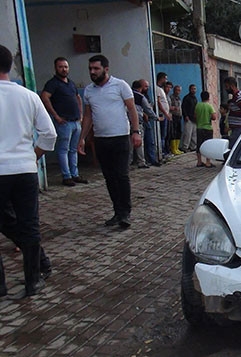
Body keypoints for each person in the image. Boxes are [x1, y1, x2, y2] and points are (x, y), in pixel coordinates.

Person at [0, 44, 57, 297]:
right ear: (10, 67)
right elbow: (49, 134)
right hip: (24, 170)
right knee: (29, 224)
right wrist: (32, 156)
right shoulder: (28, 96)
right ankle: (33, 281)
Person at [77, 54, 140, 229]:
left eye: (96, 68)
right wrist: (82, 138)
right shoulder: (89, 91)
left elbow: (132, 110)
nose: (92, 72)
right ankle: (117, 212)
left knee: (121, 175)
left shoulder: (120, 85)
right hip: (101, 139)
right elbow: (88, 116)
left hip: (120, 137)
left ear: (106, 69)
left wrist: (136, 132)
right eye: (90, 69)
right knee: (109, 177)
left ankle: (125, 213)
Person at [40, 57, 87, 187]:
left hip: (75, 122)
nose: (64, 69)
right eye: (61, 67)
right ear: (56, 68)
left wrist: (80, 114)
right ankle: (66, 176)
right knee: (63, 149)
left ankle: (75, 174)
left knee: (73, 150)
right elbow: (44, 97)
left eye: (65, 67)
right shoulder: (52, 83)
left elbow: (78, 97)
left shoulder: (71, 83)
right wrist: (55, 116)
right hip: (64, 122)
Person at [131, 79, 159, 168]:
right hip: (138, 121)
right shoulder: (140, 97)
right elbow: (148, 109)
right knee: (139, 143)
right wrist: (156, 118)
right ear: (140, 88)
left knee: (129, 143)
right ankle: (141, 162)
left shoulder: (127, 95)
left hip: (126, 121)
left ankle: (128, 162)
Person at [223, 76, 241, 147]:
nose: (226, 89)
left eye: (227, 86)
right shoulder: (236, 96)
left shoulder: (239, 97)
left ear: (232, 86)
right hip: (236, 128)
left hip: (239, 128)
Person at [194, 91, 217, 168]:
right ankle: (208, 162)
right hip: (208, 128)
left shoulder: (197, 105)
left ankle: (199, 161)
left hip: (199, 128)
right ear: (208, 97)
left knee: (199, 145)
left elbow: (195, 116)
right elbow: (214, 117)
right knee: (208, 145)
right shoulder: (209, 106)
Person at [155, 72, 171, 157]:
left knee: (165, 134)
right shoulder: (157, 89)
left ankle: (164, 151)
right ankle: (162, 152)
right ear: (161, 78)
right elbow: (158, 102)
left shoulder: (161, 89)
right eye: (165, 78)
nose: (166, 80)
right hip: (162, 114)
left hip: (165, 114)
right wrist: (165, 113)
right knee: (162, 134)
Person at [181, 84, 198, 152]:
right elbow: (183, 107)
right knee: (187, 133)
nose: (193, 90)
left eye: (194, 89)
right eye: (192, 89)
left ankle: (193, 146)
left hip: (194, 119)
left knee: (194, 134)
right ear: (189, 89)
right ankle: (185, 147)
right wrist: (185, 116)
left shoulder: (195, 98)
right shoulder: (186, 98)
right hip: (188, 118)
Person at [169, 84, 183, 155]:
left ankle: (177, 148)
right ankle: (173, 148)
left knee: (179, 131)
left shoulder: (179, 98)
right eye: (177, 90)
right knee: (173, 132)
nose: (178, 92)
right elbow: (168, 106)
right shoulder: (171, 97)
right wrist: (173, 108)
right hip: (173, 116)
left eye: (179, 90)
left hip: (179, 116)